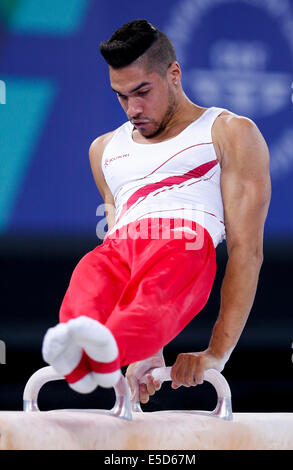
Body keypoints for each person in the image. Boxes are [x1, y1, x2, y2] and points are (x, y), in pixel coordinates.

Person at [42, 20, 271, 405]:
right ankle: (79, 350)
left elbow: (247, 252)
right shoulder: (104, 150)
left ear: (174, 74)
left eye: (142, 92)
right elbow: (119, 241)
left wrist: (217, 353)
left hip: (184, 245)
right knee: (90, 274)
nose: (133, 108)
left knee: (153, 298)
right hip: (122, 246)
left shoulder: (228, 132)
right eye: (121, 96)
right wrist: (149, 351)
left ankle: (109, 349)